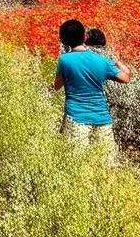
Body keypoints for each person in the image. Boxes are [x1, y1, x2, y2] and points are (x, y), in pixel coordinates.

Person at [54, 19, 131, 153]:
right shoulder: (102, 61)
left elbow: (56, 86)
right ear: (85, 36)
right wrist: (117, 62)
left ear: (64, 41)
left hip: (76, 118)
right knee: (105, 166)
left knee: (76, 163)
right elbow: (125, 77)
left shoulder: (64, 60)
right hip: (102, 119)